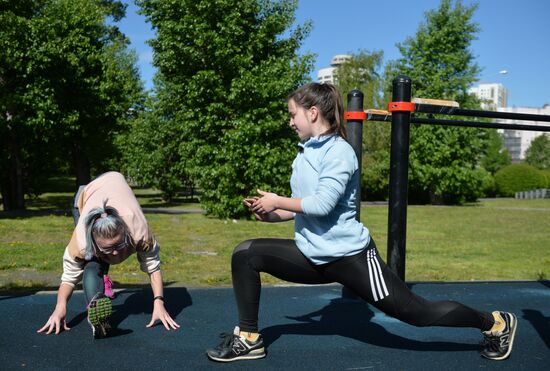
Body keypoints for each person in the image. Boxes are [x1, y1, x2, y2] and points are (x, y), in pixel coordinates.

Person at [206, 83, 517, 362]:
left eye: (293, 114)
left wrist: (278, 200)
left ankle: (496, 323)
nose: (290, 121)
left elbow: (323, 205)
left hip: (351, 257)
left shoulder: (340, 152)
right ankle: (249, 339)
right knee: (245, 253)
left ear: (313, 113)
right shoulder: (303, 154)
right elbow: (301, 207)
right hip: (312, 255)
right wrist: (269, 212)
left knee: (417, 313)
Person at [37, 171, 180, 338]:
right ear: (94, 242)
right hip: (86, 195)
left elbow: (153, 267)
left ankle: (102, 282)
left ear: (126, 234)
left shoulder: (139, 232)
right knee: (92, 263)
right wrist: (60, 308)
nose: (115, 253)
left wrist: (159, 302)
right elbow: (69, 278)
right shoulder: (81, 243)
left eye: (120, 245)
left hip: (116, 182)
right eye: (107, 248)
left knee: (102, 258)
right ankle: (96, 316)